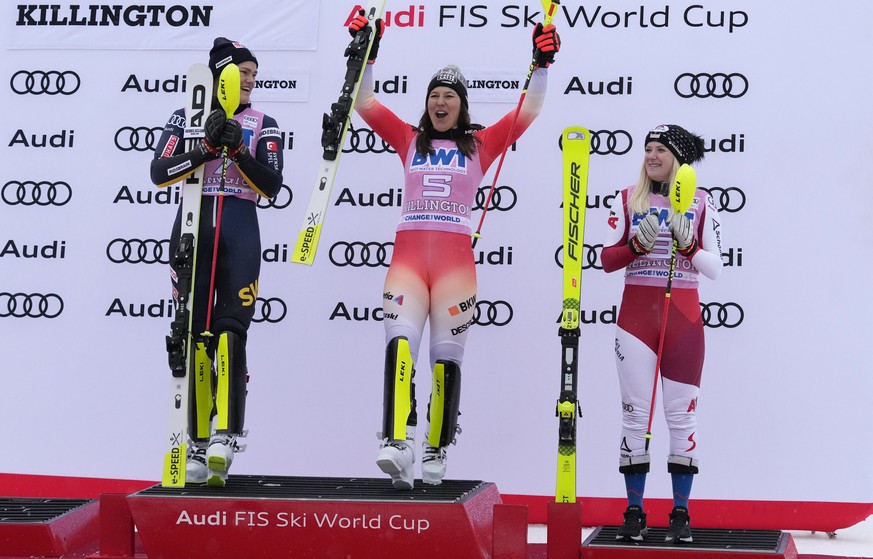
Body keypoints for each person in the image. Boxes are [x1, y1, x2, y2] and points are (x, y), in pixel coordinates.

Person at [345, 13, 560, 490]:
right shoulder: (408, 139)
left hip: (455, 268)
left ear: (462, 106)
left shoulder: (480, 144)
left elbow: (528, 111)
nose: (441, 102)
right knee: (400, 345)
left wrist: (541, 62)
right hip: (406, 261)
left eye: (450, 96)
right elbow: (364, 102)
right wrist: (367, 52)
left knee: (446, 360)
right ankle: (397, 441)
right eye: (434, 95)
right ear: (427, 104)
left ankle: (436, 446)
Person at [150, 38, 284, 487]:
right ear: (219, 75)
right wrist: (207, 147)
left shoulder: (264, 122)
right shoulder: (183, 116)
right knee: (191, 334)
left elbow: (271, 187)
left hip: (240, 229)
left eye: (254, 74)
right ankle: (197, 440)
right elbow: (158, 173)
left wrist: (238, 150)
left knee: (230, 331)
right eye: (242, 72)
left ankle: (227, 435)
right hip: (193, 227)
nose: (250, 80)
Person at [601, 124, 723, 542]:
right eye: (647, 149)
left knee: (681, 417)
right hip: (636, 321)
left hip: (683, 322)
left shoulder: (702, 203)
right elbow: (606, 258)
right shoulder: (627, 198)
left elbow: (716, 267)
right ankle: (634, 511)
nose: (651, 156)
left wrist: (690, 248)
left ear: (679, 158)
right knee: (635, 414)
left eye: (660, 150)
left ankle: (680, 514)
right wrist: (636, 246)